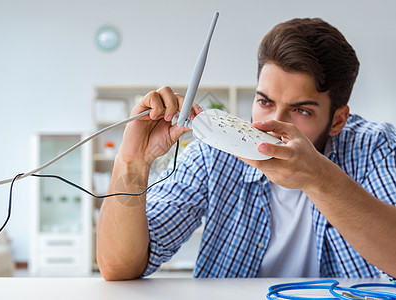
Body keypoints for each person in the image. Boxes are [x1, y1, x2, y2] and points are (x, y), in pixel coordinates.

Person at [96, 18, 396, 281]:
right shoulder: (215, 154)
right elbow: (119, 268)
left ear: (338, 119)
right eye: (265, 102)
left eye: (301, 111)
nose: (274, 124)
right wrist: (132, 162)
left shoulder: (373, 146)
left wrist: (319, 178)